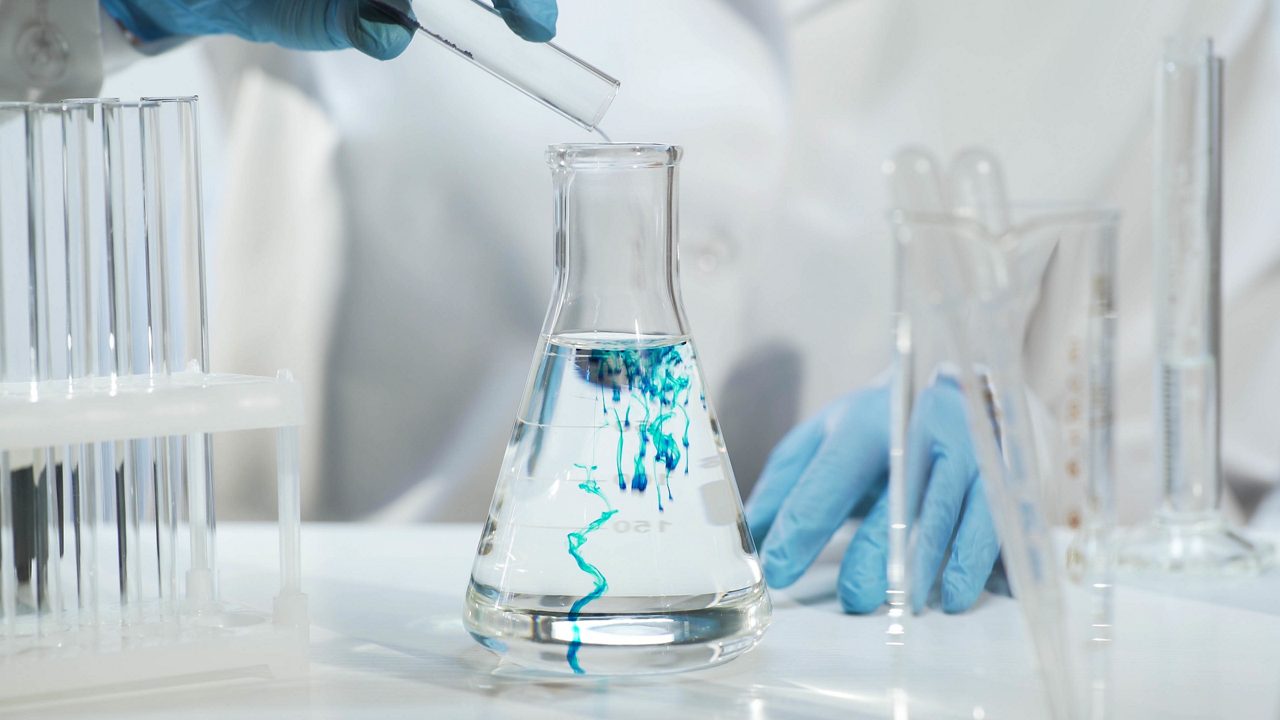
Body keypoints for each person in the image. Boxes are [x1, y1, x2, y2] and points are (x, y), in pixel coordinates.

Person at [2, 0, 1277, 616]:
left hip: (914, 657)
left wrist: (1047, 469)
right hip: (396, 662)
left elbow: (1228, 480)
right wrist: (105, 9)